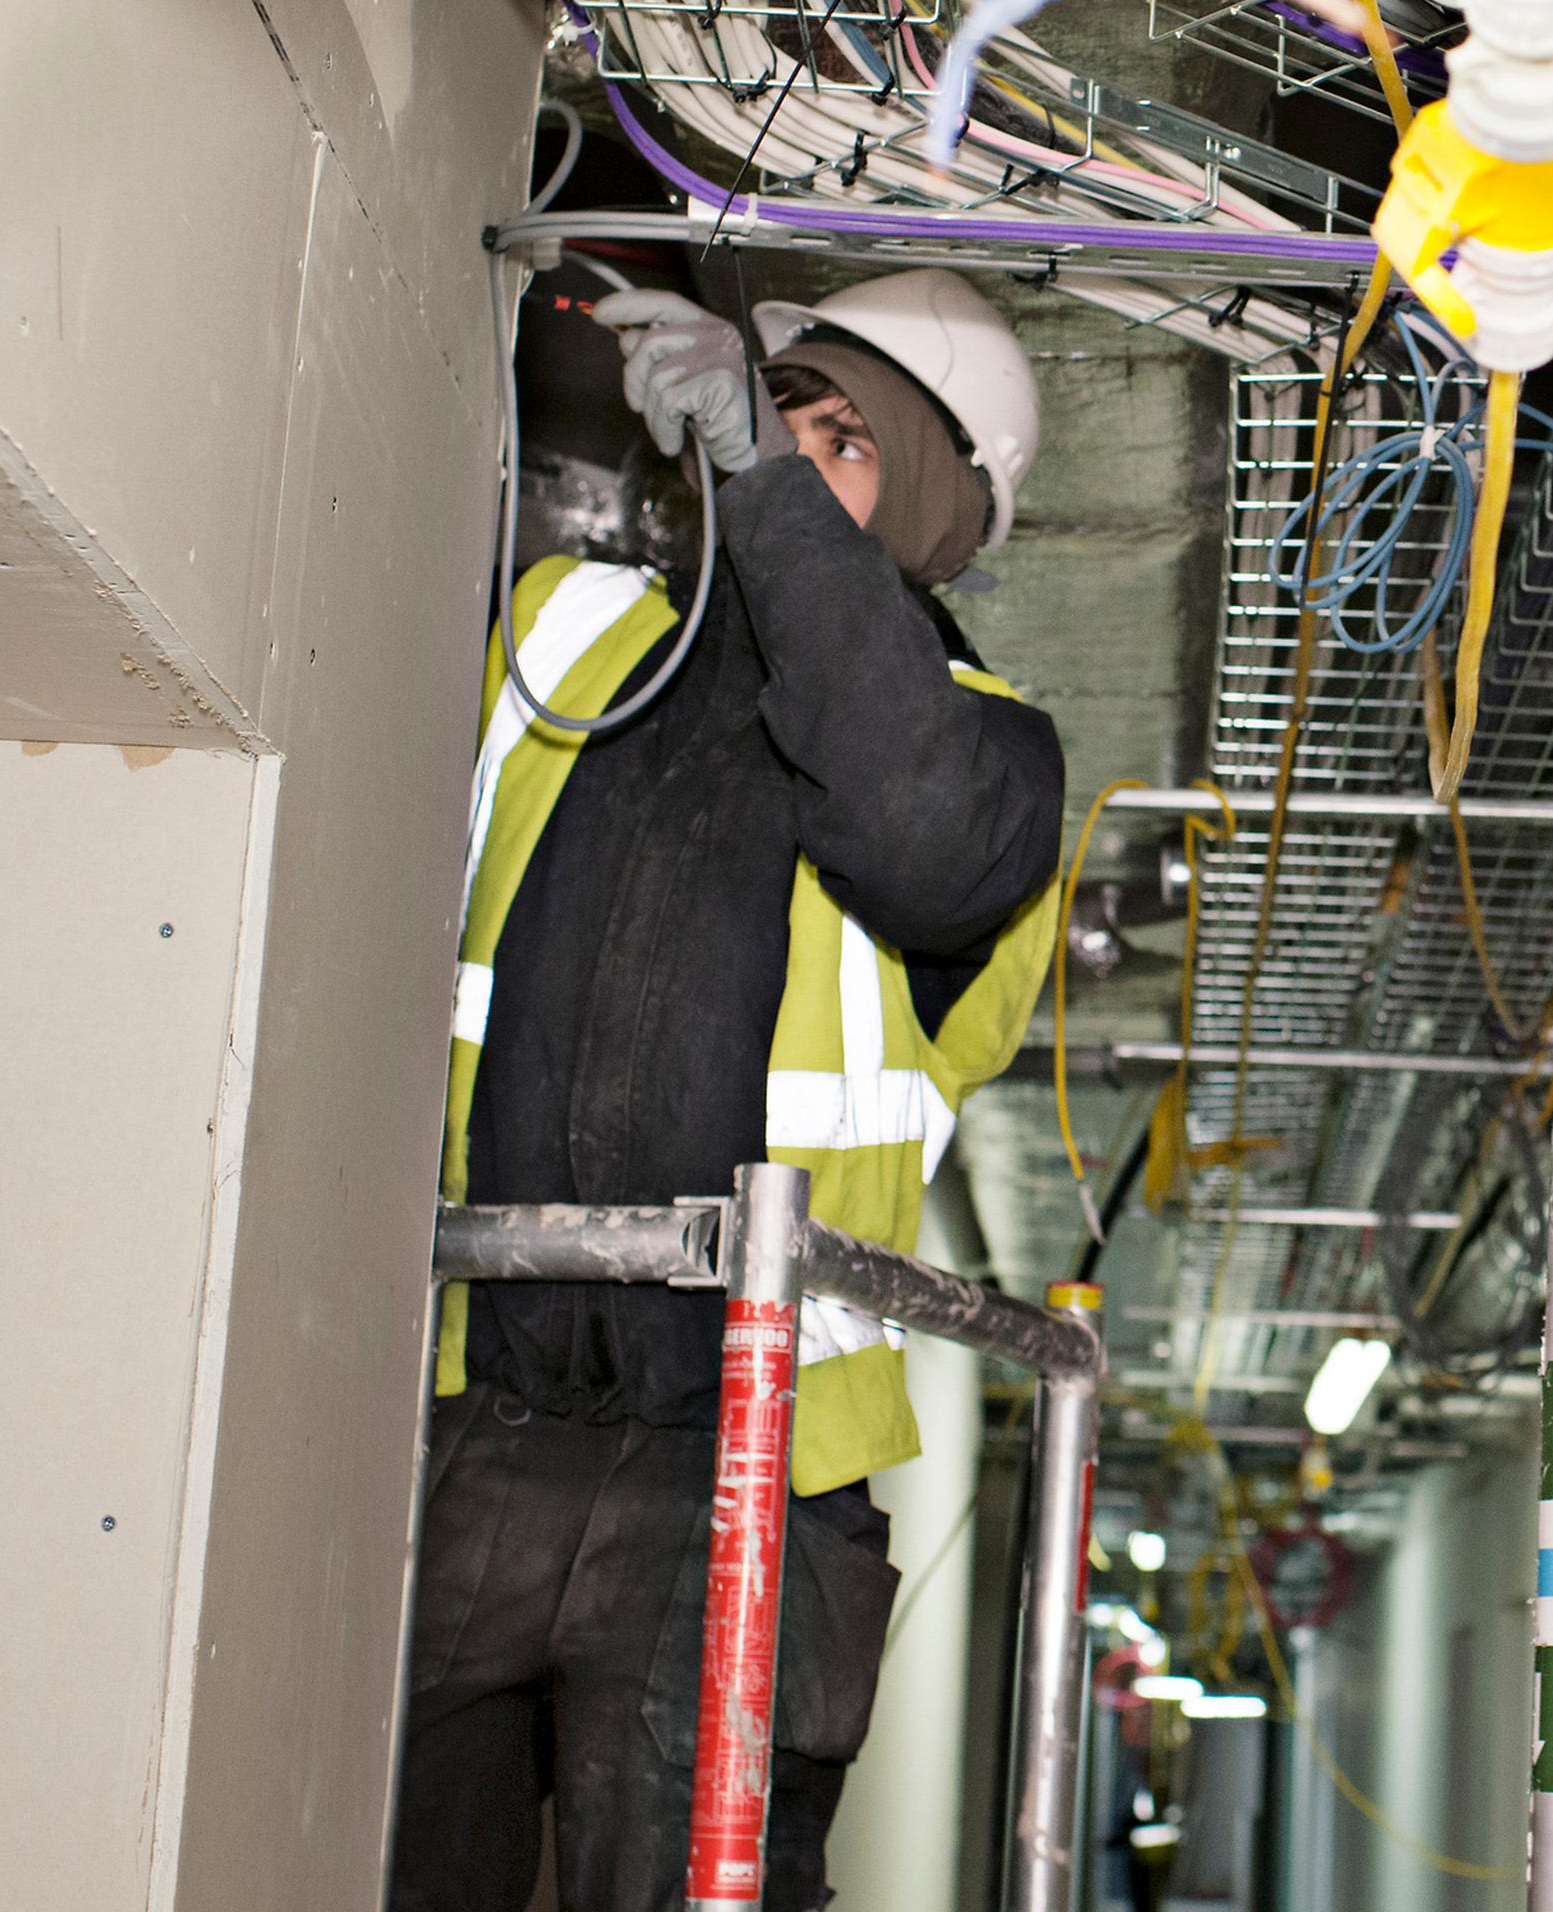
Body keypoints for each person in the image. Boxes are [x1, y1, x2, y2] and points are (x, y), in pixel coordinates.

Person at [394, 267, 1068, 1912]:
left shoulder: (989, 757)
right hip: (472, 1415)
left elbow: (903, 813)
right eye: (774, 413)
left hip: (747, 1466)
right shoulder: (562, 632)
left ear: (928, 500)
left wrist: (767, 485)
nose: (766, 449)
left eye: (840, 441)